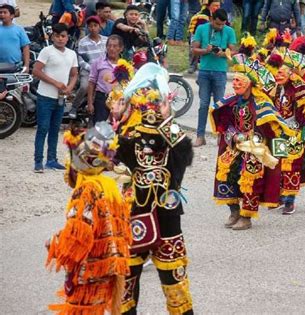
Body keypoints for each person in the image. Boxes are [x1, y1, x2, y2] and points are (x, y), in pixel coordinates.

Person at [111, 63, 194, 314]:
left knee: (174, 279)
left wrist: (168, 119)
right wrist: (115, 119)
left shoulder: (174, 149)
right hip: (134, 216)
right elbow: (96, 157)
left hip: (167, 220)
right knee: (127, 277)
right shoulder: (130, 144)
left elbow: (186, 152)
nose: (152, 114)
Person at [45, 121, 131, 314]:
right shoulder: (108, 187)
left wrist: (54, 243)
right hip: (107, 270)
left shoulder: (86, 191)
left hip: (89, 272)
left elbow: (78, 239)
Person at [210, 51, 294, 229]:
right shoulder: (232, 101)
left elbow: (271, 128)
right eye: (234, 80)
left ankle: (246, 217)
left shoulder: (261, 103)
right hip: (236, 143)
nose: (235, 83)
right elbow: (224, 123)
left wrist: (253, 139)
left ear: (249, 83)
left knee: (250, 173)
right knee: (224, 172)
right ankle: (234, 211)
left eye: (239, 80)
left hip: (255, 147)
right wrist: (233, 136)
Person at [265, 45, 305, 215]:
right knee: (278, 165)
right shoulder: (276, 88)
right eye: (277, 73)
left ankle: (290, 200)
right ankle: (280, 197)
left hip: (294, 134)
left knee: (291, 166)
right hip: (279, 133)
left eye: (282, 72)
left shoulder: (300, 90)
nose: (278, 75)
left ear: (291, 73)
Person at [32, 23, 78, 173]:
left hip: (60, 98)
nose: (60, 39)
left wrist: (69, 88)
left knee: (54, 129)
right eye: (57, 36)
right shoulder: (47, 51)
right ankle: (38, 161)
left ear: (67, 37)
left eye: (63, 36)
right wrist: (55, 83)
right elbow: (36, 71)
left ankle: (52, 160)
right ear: (52, 37)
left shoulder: (71, 54)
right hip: (45, 96)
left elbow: (74, 74)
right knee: (43, 128)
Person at [192, 8, 236, 147]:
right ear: (211, 19)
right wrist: (206, 50)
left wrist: (224, 53)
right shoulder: (201, 28)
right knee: (204, 104)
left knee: (219, 105)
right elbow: (194, 49)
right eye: (217, 24)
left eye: (223, 24)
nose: (220, 27)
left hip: (220, 72)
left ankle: (220, 136)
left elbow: (233, 50)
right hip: (204, 70)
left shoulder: (229, 31)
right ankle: (200, 136)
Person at [70, 15, 107, 119]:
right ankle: (74, 107)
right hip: (88, 70)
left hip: (103, 71)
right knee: (84, 87)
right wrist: (92, 68)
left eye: (95, 25)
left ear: (100, 27)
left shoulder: (106, 40)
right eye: (90, 26)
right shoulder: (83, 42)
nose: (93, 28)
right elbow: (80, 60)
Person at [87, 34, 123, 123]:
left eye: (115, 46)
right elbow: (91, 83)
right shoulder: (98, 62)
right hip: (101, 99)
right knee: (100, 130)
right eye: (109, 46)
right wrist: (90, 103)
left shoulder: (125, 65)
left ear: (121, 48)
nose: (111, 48)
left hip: (119, 102)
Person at [187, 0, 221, 74]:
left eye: (219, 6)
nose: (218, 8)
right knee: (195, 44)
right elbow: (197, 34)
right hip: (200, 37)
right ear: (209, 6)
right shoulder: (201, 17)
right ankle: (193, 65)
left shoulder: (220, 16)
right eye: (215, 6)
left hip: (213, 38)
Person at [0, 4, 29, 68]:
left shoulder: (19, 29)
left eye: (5, 12)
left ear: (12, 16)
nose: (2, 14)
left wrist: (26, 65)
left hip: (15, 65)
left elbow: (25, 47)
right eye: (0, 12)